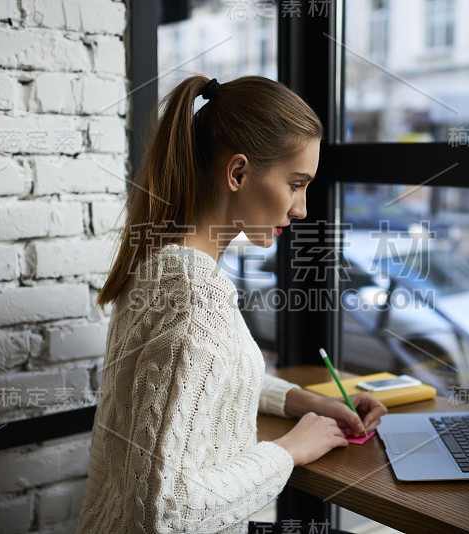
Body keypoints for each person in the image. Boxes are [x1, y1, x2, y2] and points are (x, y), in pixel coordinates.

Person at [76, 75, 387, 534]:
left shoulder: (165, 264)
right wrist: (290, 451)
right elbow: (166, 512)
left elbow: (193, 385)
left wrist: (301, 402)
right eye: (296, 184)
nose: (301, 208)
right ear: (238, 173)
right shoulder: (193, 297)